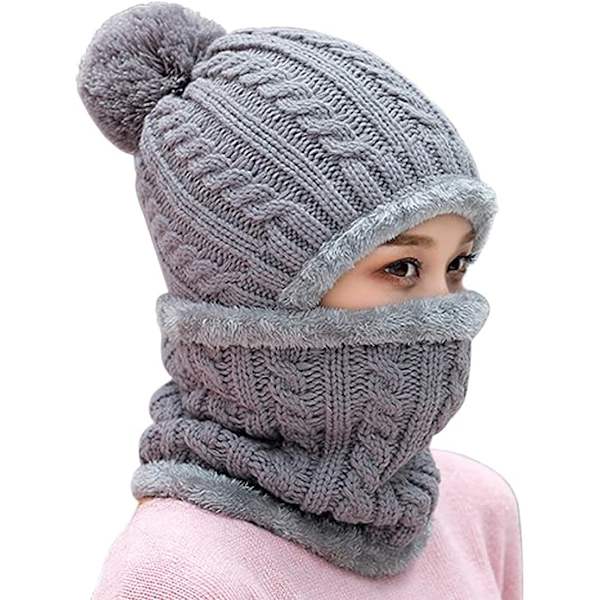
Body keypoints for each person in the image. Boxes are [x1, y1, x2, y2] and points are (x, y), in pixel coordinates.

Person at [77, 2, 523, 598]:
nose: (444, 310)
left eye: (458, 265)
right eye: (401, 267)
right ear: (249, 301)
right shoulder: (178, 574)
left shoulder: (478, 510)